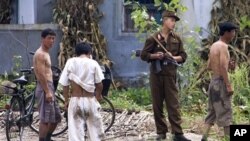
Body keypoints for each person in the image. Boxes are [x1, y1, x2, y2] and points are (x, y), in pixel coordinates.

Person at [140, 10, 190, 141]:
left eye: (174, 21)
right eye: (172, 20)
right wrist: (156, 56)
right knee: (157, 104)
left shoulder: (177, 38)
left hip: (170, 74)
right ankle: (161, 132)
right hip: (156, 75)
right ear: (164, 20)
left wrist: (173, 57)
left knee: (173, 104)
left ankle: (177, 133)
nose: (173, 23)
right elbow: (143, 55)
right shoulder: (153, 38)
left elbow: (183, 56)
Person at [59, 42, 105, 141]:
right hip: (90, 100)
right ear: (89, 52)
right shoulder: (93, 63)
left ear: (76, 53)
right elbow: (100, 84)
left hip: (75, 101)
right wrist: (97, 97)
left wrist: (66, 100)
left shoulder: (70, 62)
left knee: (75, 134)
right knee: (95, 133)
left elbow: (65, 84)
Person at [201, 22, 237, 141]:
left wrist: (228, 65)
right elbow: (222, 66)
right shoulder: (223, 46)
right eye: (232, 32)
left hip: (213, 82)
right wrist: (228, 85)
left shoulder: (214, 45)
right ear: (226, 33)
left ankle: (204, 138)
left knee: (211, 113)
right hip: (221, 83)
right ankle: (228, 139)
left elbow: (209, 66)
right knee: (226, 113)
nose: (234, 34)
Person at [33, 28, 61, 141]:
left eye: (53, 38)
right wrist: (47, 91)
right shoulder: (40, 54)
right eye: (49, 38)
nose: (52, 41)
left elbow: (46, 72)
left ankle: (48, 138)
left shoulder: (46, 53)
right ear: (42, 39)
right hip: (45, 88)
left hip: (49, 86)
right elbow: (40, 74)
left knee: (56, 118)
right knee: (45, 119)